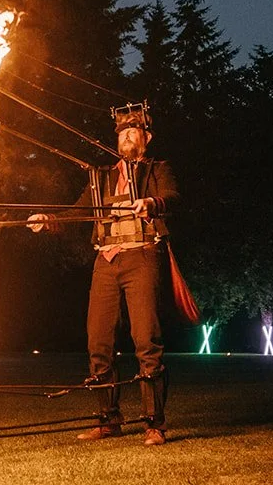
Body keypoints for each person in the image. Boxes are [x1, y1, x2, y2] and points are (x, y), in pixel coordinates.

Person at [29, 103, 197, 446]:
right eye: (122, 133)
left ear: (147, 138)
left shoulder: (157, 169)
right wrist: (50, 220)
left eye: (134, 131)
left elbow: (173, 197)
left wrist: (151, 203)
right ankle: (108, 419)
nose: (127, 137)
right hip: (105, 261)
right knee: (98, 342)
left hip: (142, 255)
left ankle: (154, 424)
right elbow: (80, 211)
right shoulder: (101, 176)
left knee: (146, 340)